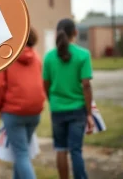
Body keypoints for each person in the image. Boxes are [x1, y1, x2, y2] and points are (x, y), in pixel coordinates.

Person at [0, 28, 45, 179]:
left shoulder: (5, 57)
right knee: (21, 153)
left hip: (13, 112)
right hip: (35, 112)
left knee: (21, 154)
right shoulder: (37, 57)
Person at [43, 18, 94, 179]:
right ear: (75, 33)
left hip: (57, 109)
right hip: (78, 109)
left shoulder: (49, 57)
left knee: (60, 149)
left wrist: (53, 101)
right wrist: (89, 113)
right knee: (76, 150)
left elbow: (46, 84)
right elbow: (86, 85)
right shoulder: (83, 55)